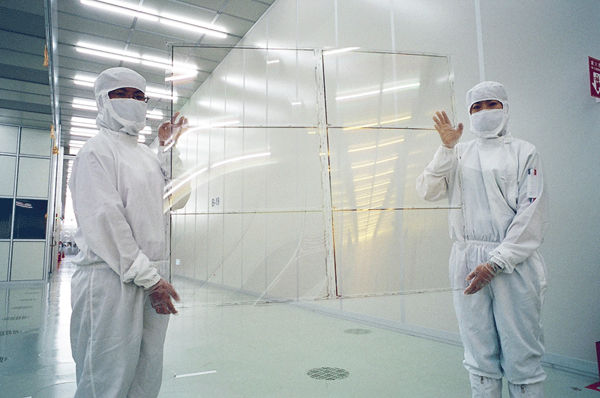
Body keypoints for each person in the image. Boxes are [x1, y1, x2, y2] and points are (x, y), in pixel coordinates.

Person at [416, 81, 548, 398]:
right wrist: (445, 148)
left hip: (512, 264)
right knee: (478, 350)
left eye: (491, 104)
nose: (484, 112)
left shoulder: (524, 152)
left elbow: (531, 214)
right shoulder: (459, 152)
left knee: (522, 352)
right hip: (466, 259)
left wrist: (497, 261)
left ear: (504, 107)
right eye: (476, 107)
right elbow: (427, 190)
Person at [69, 67, 188, 398]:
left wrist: (169, 148)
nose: (131, 102)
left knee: (145, 376)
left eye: (139, 96)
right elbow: (107, 222)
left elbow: (178, 199)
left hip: (151, 277)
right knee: (106, 380)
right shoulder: (95, 151)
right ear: (102, 100)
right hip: (111, 282)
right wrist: (149, 279)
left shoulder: (148, 155)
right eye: (121, 93)